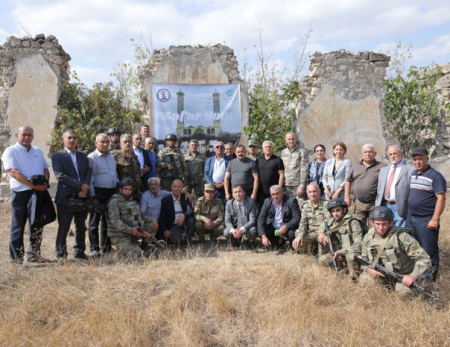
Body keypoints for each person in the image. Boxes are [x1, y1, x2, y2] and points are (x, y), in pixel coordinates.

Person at [1, 126, 51, 263]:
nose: (27, 137)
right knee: (18, 227)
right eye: (24, 135)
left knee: (37, 225)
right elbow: (13, 172)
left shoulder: (37, 151)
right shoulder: (11, 151)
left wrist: (45, 182)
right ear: (17, 135)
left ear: (33, 137)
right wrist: (34, 185)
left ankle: (34, 254)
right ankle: (16, 259)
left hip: (38, 193)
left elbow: (45, 168)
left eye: (29, 135)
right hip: (21, 194)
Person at [359, 206, 431, 298]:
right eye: (377, 224)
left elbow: (424, 259)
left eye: (384, 224)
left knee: (404, 292)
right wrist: (369, 269)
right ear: (372, 222)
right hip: (381, 275)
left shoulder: (402, 237)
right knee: (364, 280)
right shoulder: (369, 236)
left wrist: (413, 276)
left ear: (390, 223)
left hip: (403, 277)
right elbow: (363, 259)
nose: (381, 228)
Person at [406, 146, 446, 282]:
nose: (417, 162)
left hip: (426, 220)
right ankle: (417, 277)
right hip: (411, 218)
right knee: (414, 249)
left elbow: (441, 198)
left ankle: (430, 282)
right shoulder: (414, 174)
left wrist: (435, 219)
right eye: (415, 159)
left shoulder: (435, 176)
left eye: (420, 159)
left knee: (429, 251)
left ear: (427, 159)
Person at [52, 130, 92, 261]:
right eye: (69, 138)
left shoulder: (82, 156)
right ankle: (61, 255)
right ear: (63, 140)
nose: (72, 140)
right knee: (64, 227)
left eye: (74, 138)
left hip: (82, 196)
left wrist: (85, 186)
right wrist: (80, 186)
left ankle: (79, 252)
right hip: (65, 197)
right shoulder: (58, 156)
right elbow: (60, 176)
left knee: (81, 226)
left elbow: (88, 172)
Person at [106, 178, 154, 259]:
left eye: (129, 189)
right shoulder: (114, 202)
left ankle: (144, 246)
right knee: (137, 255)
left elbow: (141, 216)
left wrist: (153, 221)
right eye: (125, 189)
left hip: (133, 233)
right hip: (120, 235)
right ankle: (127, 250)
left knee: (151, 226)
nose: (127, 191)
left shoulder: (133, 201)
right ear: (120, 189)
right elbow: (115, 221)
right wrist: (130, 230)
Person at [87, 133, 118, 256]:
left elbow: (114, 174)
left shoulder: (111, 157)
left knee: (107, 221)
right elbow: (90, 178)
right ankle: (94, 248)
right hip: (98, 192)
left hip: (111, 192)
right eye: (102, 142)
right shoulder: (92, 157)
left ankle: (106, 246)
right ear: (96, 143)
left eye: (107, 142)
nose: (105, 144)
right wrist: (93, 196)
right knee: (94, 222)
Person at [317, 198, 363, 274]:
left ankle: (354, 276)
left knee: (350, 257)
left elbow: (359, 244)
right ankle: (339, 270)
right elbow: (321, 229)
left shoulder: (352, 222)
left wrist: (340, 252)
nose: (335, 214)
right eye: (333, 211)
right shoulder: (331, 222)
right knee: (322, 260)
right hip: (337, 255)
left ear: (344, 210)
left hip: (350, 253)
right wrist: (323, 236)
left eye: (338, 210)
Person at [375, 145, 415, 227]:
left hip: (399, 207)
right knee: (385, 231)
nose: (392, 156)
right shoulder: (383, 170)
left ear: (402, 154)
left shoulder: (410, 170)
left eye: (395, 154)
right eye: (390, 154)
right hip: (384, 205)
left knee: (399, 232)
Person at [345, 144, 385, 224]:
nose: (368, 154)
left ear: (375, 154)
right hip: (359, 203)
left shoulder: (382, 167)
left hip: (374, 203)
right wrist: (346, 196)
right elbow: (348, 181)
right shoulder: (355, 166)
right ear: (362, 154)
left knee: (373, 226)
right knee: (359, 225)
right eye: (365, 152)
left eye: (370, 152)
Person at [258, 185, 301, 250]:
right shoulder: (267, 202)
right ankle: (277, 242)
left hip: (287, 228)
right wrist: (263, 237)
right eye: (272, 194)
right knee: (260, 231)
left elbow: (297, 218)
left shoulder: (291, 201)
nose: (275, 197)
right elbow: (261, 219)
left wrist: (286, 226)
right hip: (273, 228)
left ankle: (292, 246)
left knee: (291, 234)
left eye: (277, 194)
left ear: (282, 192)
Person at [292, 183, 330, 253]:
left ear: (319, 191)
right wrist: (300, 236)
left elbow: (327, 221)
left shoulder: (327, 204)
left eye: (314, 191)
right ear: (307, 193)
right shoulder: (305, 205)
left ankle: (319, 248)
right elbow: (303, 223)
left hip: (322, 233)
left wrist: (321, 232)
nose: (312, 194)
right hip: (311, 233)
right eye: (310, 192)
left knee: (323, 253)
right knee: (296, 245)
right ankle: (313, 247)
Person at [158, 179, 195, 246]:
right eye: (175, 186)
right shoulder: (166, 201)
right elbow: (162, 218)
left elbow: (190, 211)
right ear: (171, 188)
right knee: (176, 242)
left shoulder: (185, 198)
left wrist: (183, 216)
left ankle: (188, 238)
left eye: (179, 187)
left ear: (182, 188)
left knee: (191, 220)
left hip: (184, 222)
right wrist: (165, 230)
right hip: (173, 224)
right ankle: (178, 236)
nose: (176, 189)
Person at [113, 134, 143, 199]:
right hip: (123, 191)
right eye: (125, 142)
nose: (127, 143)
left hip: (135, 190)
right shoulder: (116, 157)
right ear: (121, 144)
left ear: (132, 144)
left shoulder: (134, 157)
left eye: (129, 141)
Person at [280, 131, 309, 199]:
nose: (291, 141)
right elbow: (281, 170)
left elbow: (304, 169)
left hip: (297, 186)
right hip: (286, 186)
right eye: (289, 139)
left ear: (296, 139)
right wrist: (281, 186)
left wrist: (302, 186)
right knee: (287, 208)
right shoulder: (283, 152)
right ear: (286, 140)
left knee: (299, 208)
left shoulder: (302, 151)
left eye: (293, 139)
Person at [256, 140, 285, 207]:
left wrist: (279, 189)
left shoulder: (278, 160)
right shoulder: (258, 160)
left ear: (273, 148)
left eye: (270, 147)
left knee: (274, 209)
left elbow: (281, 175)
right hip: (261, 191)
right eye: (266, 147)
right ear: (263, 149)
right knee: (262, 210)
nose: (268, 148)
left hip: (273, 192)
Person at [204, 141, 231, 205]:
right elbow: (206, 174)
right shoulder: (209, 160)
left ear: (224, 149)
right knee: (214, 207)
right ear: (214, 149)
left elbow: (232, 174)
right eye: (217, 147)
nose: (219, 148)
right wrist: (213, 184)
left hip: (225, 188)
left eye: (221, 147)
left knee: (225, 206)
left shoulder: (230, 160)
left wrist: (224, 183)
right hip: (213, 188)